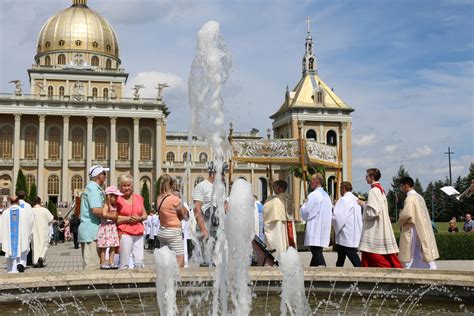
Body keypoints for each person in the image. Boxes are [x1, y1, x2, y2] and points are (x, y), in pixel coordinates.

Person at [358, 168, 402, 268]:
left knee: (373, 254)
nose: (365, 178)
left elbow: (373, 211)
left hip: (374, 228)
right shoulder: (380, 189)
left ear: (372, 177)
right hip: (381, 224)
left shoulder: (374, 191)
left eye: (367, 176)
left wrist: (363, 206)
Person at [397, 177, 439, 269]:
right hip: (421, 226)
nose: (401, 188)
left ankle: (408, 268)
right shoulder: (419, 197)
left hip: (412, 227)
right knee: (419, 249)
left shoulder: (410, 198)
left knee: (410, 249)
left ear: (406, 185)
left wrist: (400, 220)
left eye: (401, 186)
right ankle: (427, 266)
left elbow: (407, 214)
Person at [192, 162, 226, 266]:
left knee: (218, 261)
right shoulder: (201, 186)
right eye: (222, 173)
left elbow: (223, 205)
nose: (224, 176)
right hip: (206, 226)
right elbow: (197, 209)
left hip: (219, 228)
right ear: (213, 173)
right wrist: (203, 229)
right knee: (207, 260)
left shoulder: (221, 187)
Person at [78, 165, 110, 270]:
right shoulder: (93, 189)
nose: (105, 176)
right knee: (92, 267)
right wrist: (113, 215)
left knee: (93, 263)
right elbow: (96, 209)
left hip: (90, 230)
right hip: (90, 231)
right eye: (104, 174)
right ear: (98, 176)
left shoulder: (93, 188)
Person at [300, 173, 332, 267]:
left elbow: (307, 211)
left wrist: (304, 205)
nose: (310, 183)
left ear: (317, 181)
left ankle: (323, 269)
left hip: (315, 227)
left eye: (311, 180)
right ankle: (311, 273)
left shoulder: (314, 195)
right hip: (323, 227)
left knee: (316, 251)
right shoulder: (326, 195)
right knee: (316, 250)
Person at [156, 174, 189, 267]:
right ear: (171, 185)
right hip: (173, 232)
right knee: (179, 259)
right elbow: (185, 215)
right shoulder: (174, 199)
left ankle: (166, 279)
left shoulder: (159, 198)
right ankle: (177, 280)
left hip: (162, 232)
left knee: (166, 259)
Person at [116, 174, 147, 269]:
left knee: (139, 261)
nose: (126, 188)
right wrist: (127, 219)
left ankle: (138, 282)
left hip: (138, 232)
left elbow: (145, 214)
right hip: (125, 233)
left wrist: (139, 218)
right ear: (120, 186)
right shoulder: (117, 199)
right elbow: (114, 218)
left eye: (128, 185)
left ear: (132, 186)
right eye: (124, 185)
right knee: (124, 262)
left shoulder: (138, 198)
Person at [263, 180, 297, 259]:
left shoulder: (275, 200)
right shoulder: (288, 198)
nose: (273, 189)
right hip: (288, 224)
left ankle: (277, 257)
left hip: (277, 225)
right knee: (286, 242)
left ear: (280, 188)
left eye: (274, 187)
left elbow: (266, 208)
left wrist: (268, 199)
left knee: (279, 241)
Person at [0, 195, 34, 273]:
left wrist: (2, 239)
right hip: (20, 238)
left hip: (9, 239)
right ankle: (19, 266)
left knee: (10, 253)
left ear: (10, 202)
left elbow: (1, 226)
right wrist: (28, 234)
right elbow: (30, 222)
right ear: (18, 202)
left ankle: (11, 270)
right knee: (20, 251)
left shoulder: (5, 213)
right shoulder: (24, 212)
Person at [332, 181, 362, 267]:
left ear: (344, 189)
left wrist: (332, 219)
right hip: (354, 231)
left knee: (353, 258)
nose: (340, 191)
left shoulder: (343, 200)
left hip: (345, 233)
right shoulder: (356, 199)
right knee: (340, 259)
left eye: (340, 189)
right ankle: (337, 275)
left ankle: (363, 272)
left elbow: (338, 217)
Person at [97, 186, 122, 269]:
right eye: (115, 196)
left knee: (113, 246)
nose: (116, 198)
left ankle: (111, 262)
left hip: (112, 227)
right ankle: (103, 262)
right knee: (104, 246)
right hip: (105, 227)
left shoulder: (115, 206)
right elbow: (104, 214)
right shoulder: (106, 205)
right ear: (109, 196)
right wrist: (113, 217)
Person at [31, 197, 54, 268]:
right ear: (40, 202)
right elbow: (51, 218)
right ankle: (41, 257)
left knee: (35, 245)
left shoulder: (31, 210)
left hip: (33, 231)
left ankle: (35, 261)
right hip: (43, 230)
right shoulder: (44, 210)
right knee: (44, 245)